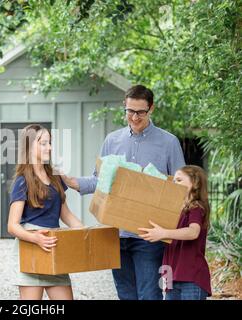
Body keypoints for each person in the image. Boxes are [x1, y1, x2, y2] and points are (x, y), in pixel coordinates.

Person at [62, 85, 186, 300]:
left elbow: (181, 187)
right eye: (130, 111)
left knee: (149, 295)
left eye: (140, 112)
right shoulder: (113, 140)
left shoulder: (168, 142)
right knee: (126, 295)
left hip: (149, 236)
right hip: (116, 233)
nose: (135, 117)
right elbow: (100, 181)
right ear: (124, 107)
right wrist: (72, 182)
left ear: (151, 109)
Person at [8, 124, 84, 300]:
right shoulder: (22, 181)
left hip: (53, 248)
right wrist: (35, 238)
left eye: (49, 143)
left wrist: (86, 233)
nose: (49, 147)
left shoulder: (55, 176)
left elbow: (66, 215)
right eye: (43, 143)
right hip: (31, 249)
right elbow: (12, 226)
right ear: (29, 146)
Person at [138, 165, 212, 300]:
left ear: (194, 183)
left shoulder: (196, 207)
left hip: (190, 277)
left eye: (179, 180)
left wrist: (164, 233)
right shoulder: (173, 211)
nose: (174, 184)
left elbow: (193, 232)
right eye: (173, 181)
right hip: (172, 276)